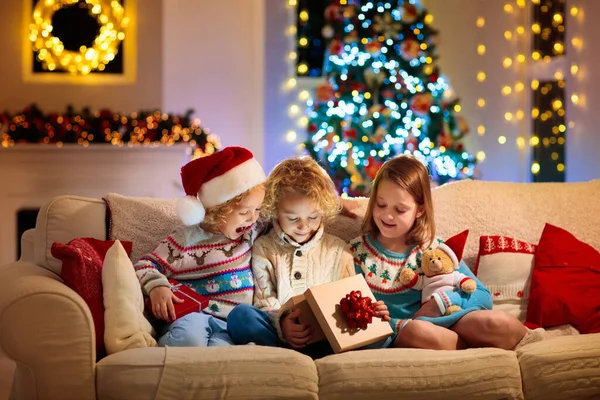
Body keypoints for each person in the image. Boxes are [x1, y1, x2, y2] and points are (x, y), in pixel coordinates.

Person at [351, 154, 540, 350]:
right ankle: (481, 350)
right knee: (417, 330)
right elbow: (353, 317)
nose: (387, 215)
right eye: (380, 204)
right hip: (406, 333)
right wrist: (380, 319)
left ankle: (527, 342)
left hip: (448, 319)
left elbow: (482, 296)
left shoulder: (432, 248)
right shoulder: (357, 253)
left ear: (420, 210)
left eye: (400, 210)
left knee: (498, 322)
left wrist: (440, 302)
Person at [227, 156, 389, 357]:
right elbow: (264, 300)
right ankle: (287, 355)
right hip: (280, 337)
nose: (303, 226)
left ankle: (315, 356)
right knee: (241, 316)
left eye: (313, 217)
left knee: (383, 334)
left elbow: (351, 296)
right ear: (275, 211)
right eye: (293, 218)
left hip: (329, 339)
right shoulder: (265, 247)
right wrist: (283, 323)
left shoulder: (339, 249)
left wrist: (368, 311)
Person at [134, 146, 267, 347]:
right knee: (189, 341)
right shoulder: (186, 239)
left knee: (221, 354)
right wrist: (157, 286)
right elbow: (145, 264)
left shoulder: (251, 231)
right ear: (218, 210)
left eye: (257, 209)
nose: (253, 217)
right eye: (244, 212)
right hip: (192, 315)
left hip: (231, 325)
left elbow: (284, 219)